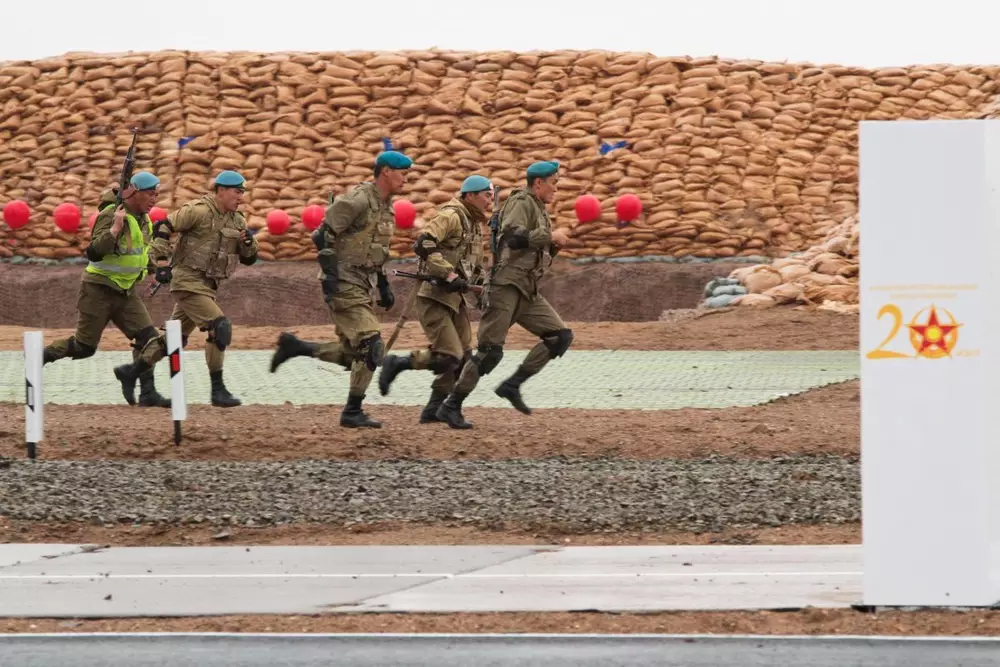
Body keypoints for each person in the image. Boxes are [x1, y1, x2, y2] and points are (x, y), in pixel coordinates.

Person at [269, 150, 412, 428]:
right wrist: (331, 274)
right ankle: (352, 412)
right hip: (344, 282)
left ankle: (296, 347)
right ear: (386, 172)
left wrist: (383, 285)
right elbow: (321, 234)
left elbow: (375, 250)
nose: (405, 179)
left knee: (353, 355)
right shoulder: (359, 200)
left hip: (364, 283)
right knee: (371, 344)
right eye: (403, 174)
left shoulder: (387, 207)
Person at [436, 160, 573, 429]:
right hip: (505, 288)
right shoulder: (521, 202)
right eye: (554, 183)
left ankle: (512, 385)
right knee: (489, 353)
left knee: (559, 337)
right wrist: (549, 236)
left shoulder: (538, 208)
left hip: (526, 289)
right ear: (538, 183)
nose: (556, 189)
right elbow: (513, 237)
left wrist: (553, 244)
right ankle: (450, 406)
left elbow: (533, 250)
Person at [111, 170, 258, 408]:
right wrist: (160, 262)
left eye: (242, 193)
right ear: (221, 190)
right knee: (220, 327)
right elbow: (163, 226)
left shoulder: (237, 221)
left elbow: (249, 258)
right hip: (187, 282)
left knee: (174, 339)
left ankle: (131, 371)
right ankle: (218, 390)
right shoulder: (198, 211)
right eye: (237, 192)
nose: (241, 197)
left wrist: (249, 244)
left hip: (208, 286)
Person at [42, 172, 171, 408]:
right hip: (98, 290)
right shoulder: (111, 214)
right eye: (150, 194)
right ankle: (38, 357)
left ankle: (147, 393)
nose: (154, 199)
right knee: (84, 347)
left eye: (157, 195)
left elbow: (141, 250)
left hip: (126, 291)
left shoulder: (144, 219)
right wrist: (114, 229)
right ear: (134, 193)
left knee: (148, 338)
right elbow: (93, 252)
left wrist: (153, 271)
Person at [377, 174, 492, 423]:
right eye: (486, 195)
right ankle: (399, 363)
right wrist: (448, 274)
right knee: (451, 356)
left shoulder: (473, 224)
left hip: (455, 299)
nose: (490, 200)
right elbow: (424, 244)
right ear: (470, 195)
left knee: (464, 360)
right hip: (434, 297)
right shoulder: (451, 216)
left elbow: (473, 265)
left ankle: (434, 409)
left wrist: (485, 289)